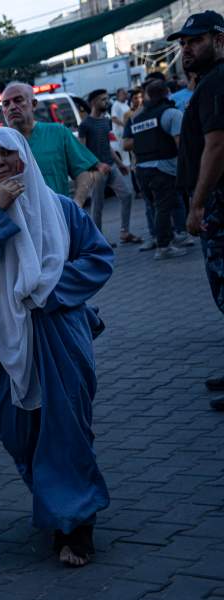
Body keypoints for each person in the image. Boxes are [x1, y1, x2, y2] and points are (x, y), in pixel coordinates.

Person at [0, 126, 112, 568]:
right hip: (3, 337)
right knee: (17, 430)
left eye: (6, 153)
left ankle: (76, 525)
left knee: (66, 428)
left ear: (23, 156)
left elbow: (99, 258)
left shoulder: (60, 209)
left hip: (59, 332)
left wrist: (48, 290)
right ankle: (57, 503)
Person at [170, 10, 224, 411]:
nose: (187, 49)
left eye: (196, 40)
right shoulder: (209, 82)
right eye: (184, 43)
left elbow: (217, 145)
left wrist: (198, 203)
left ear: (219, 40)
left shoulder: (217, 82)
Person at [0, 82, 104, 205]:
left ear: (34, 104)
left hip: (57, 213)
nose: (12, 107)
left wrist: (76, 204)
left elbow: (83, 171)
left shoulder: (58, 132)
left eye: (18, 100)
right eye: (6, 104)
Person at [125, 80, 193, 260]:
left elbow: (129, 142)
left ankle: (169, 236)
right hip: (163, 169)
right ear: (167, 93)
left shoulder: (137, 118)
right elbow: (181, 145)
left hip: (142, 170)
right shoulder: (171, 113)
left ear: (147, 96)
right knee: (163, 208)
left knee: (160, 206)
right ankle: (164, 247)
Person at [80, 89, 140, 245]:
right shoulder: (85, 124)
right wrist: (96, 165)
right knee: (97, 205)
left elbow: (107, 146)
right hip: (96, 171)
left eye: (107, 99)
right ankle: (98, 240)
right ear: (93, 102)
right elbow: (82, 150)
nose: (106, 102)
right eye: (103, 99)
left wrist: (120, 164)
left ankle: (125, 232)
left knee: (127, 195)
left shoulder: (106, 121)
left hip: (111, 166)